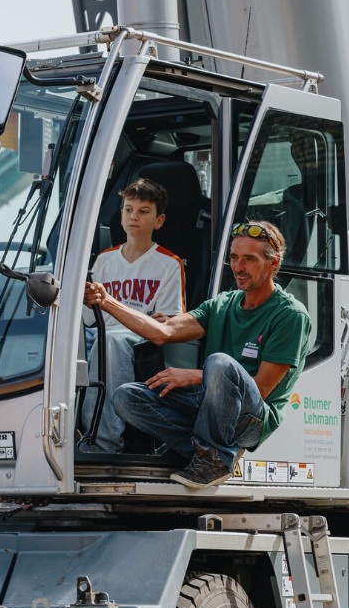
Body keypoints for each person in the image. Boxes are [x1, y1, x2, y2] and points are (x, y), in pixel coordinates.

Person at [82, 220, 311, 488]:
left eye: (249, 259)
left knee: (220, 363)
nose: (238, 268)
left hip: (251, 420)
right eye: (234, 258)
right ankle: (206, 453)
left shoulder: (290, 315)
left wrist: (196, 376)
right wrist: (106, 301)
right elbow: (162, 331)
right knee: (126, 396)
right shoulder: (222, 304)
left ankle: (214, 455)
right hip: (209, 407)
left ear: (273, 263)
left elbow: (260, 389)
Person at [80, 178, 185, 453]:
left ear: (158, 220)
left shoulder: (168, 263)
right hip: (99, 333)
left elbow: (168, 322)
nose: (133, 217)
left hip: (136, 338)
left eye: (143, 211)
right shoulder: (104, 259)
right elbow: (88, 319)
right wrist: (87, 302)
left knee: (111, 341)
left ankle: (103, 442)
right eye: (128, 210)